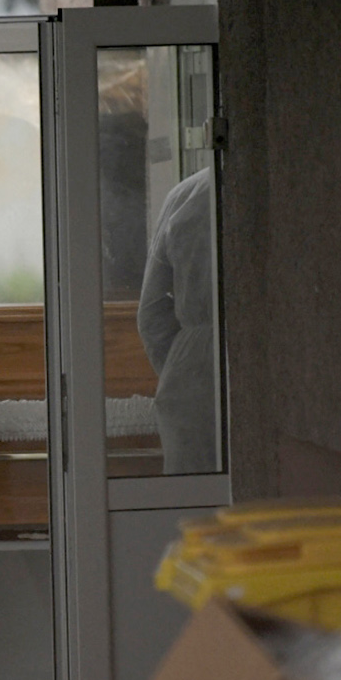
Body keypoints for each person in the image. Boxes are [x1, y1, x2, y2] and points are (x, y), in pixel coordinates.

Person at [137, 166, 219, 475]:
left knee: (193, 506)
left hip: (191, 379)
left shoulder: (186, 194)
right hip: (271, 357)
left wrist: (181, 369)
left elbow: (152, 313)